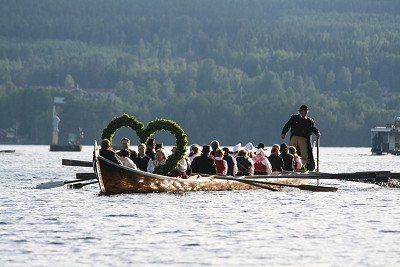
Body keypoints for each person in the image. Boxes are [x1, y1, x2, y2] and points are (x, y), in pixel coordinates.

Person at [281, 105, 320, 170]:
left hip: (303, 139)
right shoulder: (294, 118)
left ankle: (303, 167)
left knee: (304, 154)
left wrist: (317, 133)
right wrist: (283, 133)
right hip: (294, 137)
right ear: (300, 112)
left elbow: (313, 128)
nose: (305, 113)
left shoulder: (309, 121)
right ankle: (290, 165)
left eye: (306, 111)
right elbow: (287, 125)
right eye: (303, 111)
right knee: (291, 152)